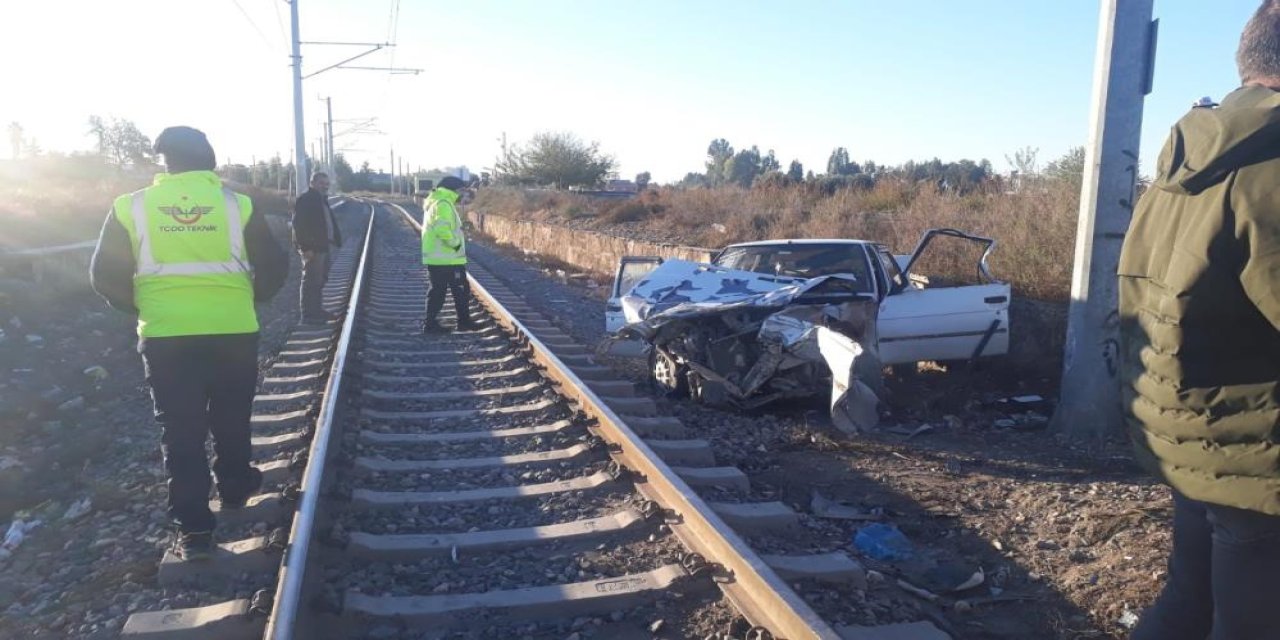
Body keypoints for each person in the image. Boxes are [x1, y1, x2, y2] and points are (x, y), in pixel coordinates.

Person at [1120, 3, 1280, 638]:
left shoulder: (1186, 159)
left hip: (1189, 433)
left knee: (1187, 603)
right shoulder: (1269, 166)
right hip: (1259, 452)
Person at [90, 126, 289, 561]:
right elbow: (274, 264)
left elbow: (103, 275)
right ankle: (235, 487)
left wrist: (145, 307)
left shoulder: (132, 207)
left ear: (164, 162)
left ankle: (195, 529)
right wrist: (252, 297)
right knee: (232, 414)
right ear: (210, 160)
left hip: (166, 336)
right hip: (233, 328)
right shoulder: (238, 205)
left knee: (179, 430)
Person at [420, 175, 478, 333]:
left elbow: (443, 227)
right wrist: (456, 244)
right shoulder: (444, 204)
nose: (462, 194)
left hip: (439, 258)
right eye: (461, 190)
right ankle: (462, 322)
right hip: (447, 258)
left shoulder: (437, 201)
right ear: (454, 189)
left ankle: (431, 324)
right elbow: (442, 230)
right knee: (459, 290)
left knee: (438, 291)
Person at [292, 171, 342, 324]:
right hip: (312, 248)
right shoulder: (306, 199)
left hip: (323, 245)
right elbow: (298, 225)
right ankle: (308, 315)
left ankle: (317, 310)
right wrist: (306, 247)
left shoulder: (321, 199)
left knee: (320, 279)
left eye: (327, 184)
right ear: (312, 183)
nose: (325, 187)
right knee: (311, 280)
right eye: (321, 183)